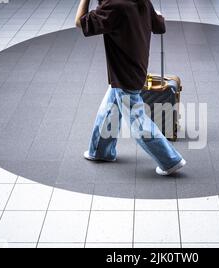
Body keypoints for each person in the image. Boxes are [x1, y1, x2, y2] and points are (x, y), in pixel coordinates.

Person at [75, 0, 186, 175]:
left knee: (138, 123)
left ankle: (171, 161)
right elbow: (160, 26)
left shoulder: (113, 6)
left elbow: (80, 23)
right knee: (110, 109)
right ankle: (100, 151)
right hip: (134, 69)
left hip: (124, 74)